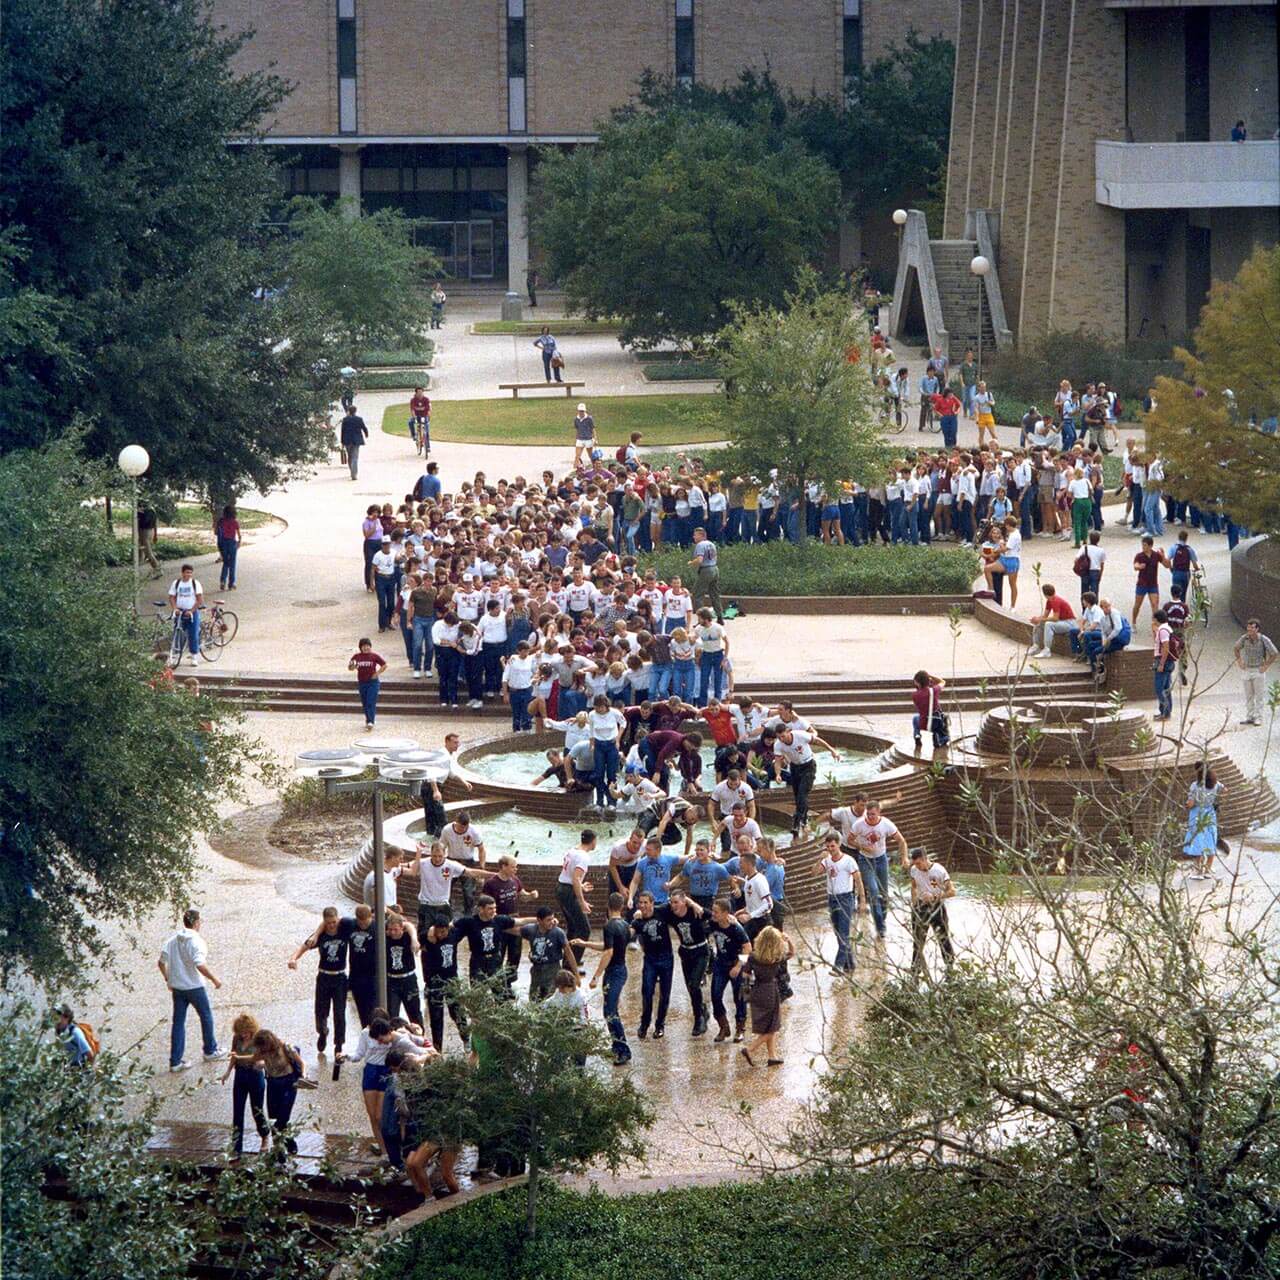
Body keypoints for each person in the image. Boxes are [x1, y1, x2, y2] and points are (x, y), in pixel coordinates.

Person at [158, 908, 226, 1073]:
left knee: (179, 1022)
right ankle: (210, 1050)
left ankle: (175, 1061)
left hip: (178, 987)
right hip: (194, 986)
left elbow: (161, 962)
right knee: (206, 1016)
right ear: (196, 923)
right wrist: (214, 979)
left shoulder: (172, 940)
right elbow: (199, 963)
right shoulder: (196, 941)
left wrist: (168, 979)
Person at [288, 906, 354, 1056]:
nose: (332, 925)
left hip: (340, 977)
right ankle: (323, 1032)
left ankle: (339, 1043)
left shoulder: (344, 930)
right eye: (328, 922)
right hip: (324, 977)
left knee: (339, 1012)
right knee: (321, 1010)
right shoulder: (321, 936)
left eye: (334, 922)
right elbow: (304, 947)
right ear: (324, 922)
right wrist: (293, 959)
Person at [578, 892, 633, 1065]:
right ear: (622, 907)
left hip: (614, 972)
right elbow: (608, 946)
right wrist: (585, 944)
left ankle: (623, 1049)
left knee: (610, 1011)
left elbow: (608, 952)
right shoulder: (625, 925)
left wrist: (595, 976)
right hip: (621, 970)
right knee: (610, 1010)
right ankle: (617, 1045)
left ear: (608, 907)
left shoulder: (609, 926)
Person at [848, 800, 908, 941]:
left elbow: (901, 841)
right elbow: (849, 840)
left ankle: (882, 918)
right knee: (874, 892)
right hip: (865, 860)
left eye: (873, 814)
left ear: (879, 813)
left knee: (884, 894)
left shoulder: (886, 824)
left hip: (881, 860)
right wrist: (862, 847)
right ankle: (881, 928)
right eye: (868, 814)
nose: (870, 817)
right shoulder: (859, 825)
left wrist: (904, 857)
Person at [740, 925, 793, 1067]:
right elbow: (791, 953)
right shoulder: (776, 958)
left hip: (757, 990)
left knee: (769, 1026)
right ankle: (750, 1049)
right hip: (771, 991)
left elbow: (745, 975)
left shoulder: (752, 957)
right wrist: (788, 941)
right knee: (773, 1027)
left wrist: (746, 995)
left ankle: (772, 1056)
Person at [662, 889, 711, 1037]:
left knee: (695, 984)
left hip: (701, 951)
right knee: (690, 987)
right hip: (685, 952)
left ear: (684, 902)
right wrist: (639, 914)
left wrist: (693, 904)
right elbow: (654, 911)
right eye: (671, 902)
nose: (673, 905)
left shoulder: (694, 912)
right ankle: (702, 1008)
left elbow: (714, 915)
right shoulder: (670, 913)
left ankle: (699, 1019)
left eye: (676, 902)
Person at [248, 1030, 306, 1154]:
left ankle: (289, 1141)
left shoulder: (285, 1047)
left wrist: (303, 1076)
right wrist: (258, 1064)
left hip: (289, 1083)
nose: (263, 1050)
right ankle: (279, 1154)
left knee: (282, 1118)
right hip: (273, 1084)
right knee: (273, 1120)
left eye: (264, 1047)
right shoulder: (262, 1051)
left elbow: (301, 1063)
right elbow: (254, 1059)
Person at [221, 1012, 271, 1156]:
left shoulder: (259, 1039)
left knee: (257, 1110)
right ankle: (236, 1146)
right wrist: (228, 1072)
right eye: (241, 1032)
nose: (244, 1035)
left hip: (255, 1075)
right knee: (238, 1111)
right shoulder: (236, 1038)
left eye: (246, 1032)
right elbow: (234, 1056)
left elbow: (264, 1059)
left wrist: (260, 1064)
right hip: (240, 1075)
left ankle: (265, 1136)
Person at [629, 890, 674, 1039]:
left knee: (665, 993)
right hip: (650, 959)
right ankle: (644, 1024)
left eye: (645, 902)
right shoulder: (637, 921)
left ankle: (660, 1025)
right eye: (640, 903)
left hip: (666, 958)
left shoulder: (662, 911)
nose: (642, 906)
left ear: (652, 903)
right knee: (647, 992)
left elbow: (680, 900)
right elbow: (629, 933)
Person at [908, 847, 955, 980]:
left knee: (943, 938)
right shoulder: (914, 870)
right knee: (918, 940)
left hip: (936, 907)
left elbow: (952, 891)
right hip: (920, 908)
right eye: (915, 864)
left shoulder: (939, 870)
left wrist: (936, 897)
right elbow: (913, 886)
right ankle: (915, 969)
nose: (916, 866)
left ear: (924, 859)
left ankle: (950, 967)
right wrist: (914, 902)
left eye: (918, 863)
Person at [707, 898, 751, 1043]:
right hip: (721, 963)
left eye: (716, 912)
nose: (713, 914)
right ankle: (723, 1026)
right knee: (715, 995)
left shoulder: (736, 928)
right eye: (713, 911)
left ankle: (740, 1028)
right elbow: (701, 912)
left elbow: (747, 947)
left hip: (738, 963)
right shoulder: (713, 923)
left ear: (726, 913)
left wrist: (738, 966)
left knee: (740, 997)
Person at [818, 833, 862, 973]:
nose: (830, 849)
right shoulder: (827, 861)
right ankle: (850, 964)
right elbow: (814, 873)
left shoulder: (848, 861)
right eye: (828, 846)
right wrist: (819, 860)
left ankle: (838, 966)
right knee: (838, 932)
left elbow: (858, 880)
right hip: (832, 898)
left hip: (845, 898)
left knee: (844, 932)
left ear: (839, 844)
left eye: (833, 846)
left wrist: (862, 899)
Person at [522, 906, 579, 1000]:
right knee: (534, 999)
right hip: (537, 969)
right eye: (548, 920)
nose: (552, 922)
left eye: (553, 919)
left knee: (551, 998)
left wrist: (576, 974)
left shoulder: (558, 933)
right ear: (539, 920)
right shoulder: (531, 930)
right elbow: (514, 929)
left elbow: (569, 953)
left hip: (552, 969)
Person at [557, 831, 595, 964]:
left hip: (561, 887)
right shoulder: (584, 857)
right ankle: (572, 964)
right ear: (593, 841)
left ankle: (568, 960)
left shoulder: (572, 850)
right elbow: (575, 878)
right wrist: (582, 901)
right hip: (568, 892)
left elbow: (571, 876)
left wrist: (581, 886)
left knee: (573, 927)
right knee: (584, 929)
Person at [1182, 764, 1222, 880]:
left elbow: (1191, 803)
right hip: (1210, 814)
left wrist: (1187, 804)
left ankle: (1198, 871)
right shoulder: (1216, 783)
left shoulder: (1195, 786)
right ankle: (1208, 869)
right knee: (1210, 838)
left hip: (1197, 815)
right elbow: (1225, 789)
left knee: (1197, 840)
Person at [1234, 618, 1275, 726]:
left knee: (1259, 696)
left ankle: (1259, 718)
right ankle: (1250, 716)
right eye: (1248, 627)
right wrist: (1239, 661)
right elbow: (1236, 648)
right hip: (1247, 669)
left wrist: (1266, 665)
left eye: (1252, 627)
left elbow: (1274, 653)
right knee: (1249, 695)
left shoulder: (1263, 639)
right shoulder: (1244, 638)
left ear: (1257, 629)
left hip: (1258, 670)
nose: (1249, 630)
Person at [167, 563, 208, 667]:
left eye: (190, 573)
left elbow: (199, 599)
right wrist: (174, 608)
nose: (188, 575)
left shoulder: (195, 583)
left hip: (191, 612)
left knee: (193, 634)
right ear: (182, 573)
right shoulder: (176, 583)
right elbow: (171, 597)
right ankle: (175, 656)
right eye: (187, 572)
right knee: (178, 633)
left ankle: (194, 656)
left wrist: (192, 610)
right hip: (180, 612)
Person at [1028, 583, 1076, 659]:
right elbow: (1045, 616)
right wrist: (1037, 619)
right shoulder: (1049, 601)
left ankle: (1047, 650)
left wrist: (1040, 619)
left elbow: (1055, 618)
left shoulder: (1056, 601)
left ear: (1045, 594)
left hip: (1069, 623)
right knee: (1040, 623)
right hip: (1062, 622)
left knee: (1048, 625)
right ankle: (1035, 645)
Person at [348, 638, 387, 731]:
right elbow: (350, 668)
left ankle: (371, 721)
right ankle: (368, 719)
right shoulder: (356, 657)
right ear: (360, 647)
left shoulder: (374, 656)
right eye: (364, 646)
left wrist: (377, 674)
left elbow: (384, 665)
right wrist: (352, 666)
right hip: (362, 682)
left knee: (370, 701)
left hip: (373, 682)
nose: (366, 648)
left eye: (367, 646)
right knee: (365, 702)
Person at [1132, 535, 1169, 625]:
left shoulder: (1156, 555)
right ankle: (1133, 622)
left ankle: (1155, 624)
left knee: (1154, 604)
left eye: (1145, 545)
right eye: (1142, 545)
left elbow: (1167, 565)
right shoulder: (1139, 556)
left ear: (1150, 546)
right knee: (1137, 605)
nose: (1143, 547)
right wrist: (1139, 566)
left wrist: (1163, 556)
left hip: (1153, 584)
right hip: (1142, 584)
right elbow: (1135, 565)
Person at [689, 528, 723, 624]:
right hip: (715, 569)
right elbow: (715, 557)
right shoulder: (711, 544)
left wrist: (691, 563)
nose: (694, 537)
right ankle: (720, 616)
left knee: (697, 594)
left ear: (702, 536)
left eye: (696, 535)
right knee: (714, 594)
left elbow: (700, 559)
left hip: (706, 570)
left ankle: (702, 620)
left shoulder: (700, 545)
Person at [910, 670, 947, 750]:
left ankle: (917, 734)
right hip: (936, 722)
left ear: (917, 683)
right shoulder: (934, 690)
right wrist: (930, 675)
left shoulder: (914, 696)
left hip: (923, 723)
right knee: (943, 731)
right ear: (928, 680)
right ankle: (938, 738)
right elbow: (943, 681)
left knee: (915, 718)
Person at [1152, 608, 1175, 721]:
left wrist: (1161, 663)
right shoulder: (1166, 628)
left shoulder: (1163, 630)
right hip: (1167, 662)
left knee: (1159, 688)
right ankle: (1165, 712)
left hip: (1163, 661)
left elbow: (1166, 647)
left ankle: (1165, 712)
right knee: (1166, 688)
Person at [215, 505, 242, 590]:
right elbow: (239, 534)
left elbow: (217, 533)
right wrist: (239, 542)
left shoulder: (221, 521)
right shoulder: (235, 522)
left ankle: (222, 580)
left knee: (226, 563)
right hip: (232, 543)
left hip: (223, 543)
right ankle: (231, 583)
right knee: (232, 563)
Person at [340, 403, 368, 480]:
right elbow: (364, 428)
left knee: (350, 456)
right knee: (355, 457)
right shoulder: (359, 419)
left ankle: (351, 470)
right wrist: (366, 434)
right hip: (356, 440)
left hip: (347, 440)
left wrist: (342, 441)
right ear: (355, 411)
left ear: (349, 411)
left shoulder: (345, 419)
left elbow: (343, 431)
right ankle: (354, 473)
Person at [572, 403, 596, 468]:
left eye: (582, 411)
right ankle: (574, 468)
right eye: (580, 411)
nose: (581, 412)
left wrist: (595, 439)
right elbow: (577, 429)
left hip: (588, 439)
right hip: (580, 439)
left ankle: (595, 467)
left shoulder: (589, 418)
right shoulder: (576, 419)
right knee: (577, 455)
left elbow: (593, 429)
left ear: (585, 411)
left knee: (590, 455)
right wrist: (576, 438)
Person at [409, 385, 431, 454]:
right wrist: (414, 417)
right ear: (416, 393)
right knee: (410, 422)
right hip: (417, 416)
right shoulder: (413, 400)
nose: (420, 393)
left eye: (421, 392)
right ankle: (414, 435)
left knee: (426, 431)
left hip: (424, 416)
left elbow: (428, 409)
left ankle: (428, 446)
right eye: (418, 392)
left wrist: (428, 417)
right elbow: (412, 410)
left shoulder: (426, 399)